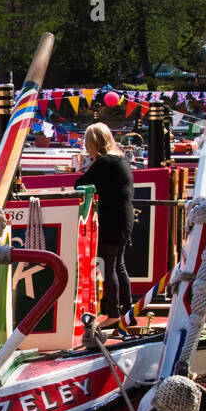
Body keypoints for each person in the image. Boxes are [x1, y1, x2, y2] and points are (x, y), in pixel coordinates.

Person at [80, 122, 135, 324]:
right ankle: (127, 312)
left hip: (111, 222)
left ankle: (112, 314)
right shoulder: (120, 160)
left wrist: (90, 164)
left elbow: (80, 184)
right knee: (119, 266)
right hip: (124, 220)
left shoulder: (104, 163)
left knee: (109, 267)